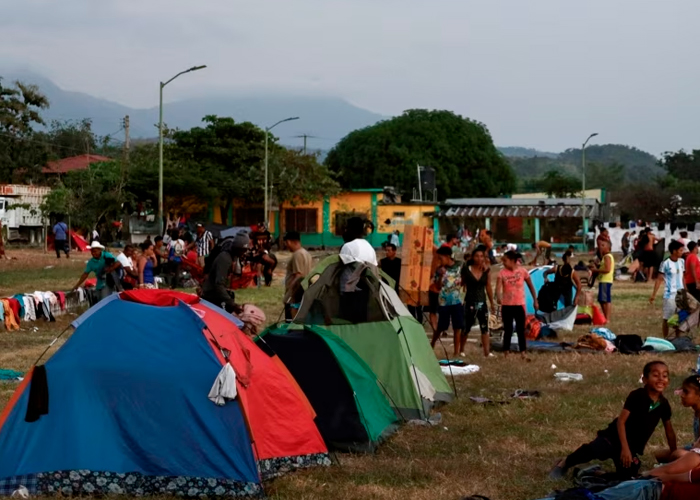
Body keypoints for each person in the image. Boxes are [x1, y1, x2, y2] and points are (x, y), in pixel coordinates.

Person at [550, 361, 675, 480]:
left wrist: (674, 453)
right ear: (645, 379)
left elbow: (669, 431)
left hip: (631, 447)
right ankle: (564, 463)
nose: (660, 379)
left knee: (629, 475)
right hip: (613, 438)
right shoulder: (637, 395)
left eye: (664, 376)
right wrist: (624, 449)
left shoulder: (663, 404)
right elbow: (621, 422)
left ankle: (594, 473)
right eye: (655, 375)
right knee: (592, 450)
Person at [650, 374, 700, 469]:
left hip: (697, 452)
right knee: (660, 454)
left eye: (686, 392)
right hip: (695, 448)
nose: (682, 395)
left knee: (677, 454)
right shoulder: (697, 411)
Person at [496, 250, 538, 359]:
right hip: (507, 305)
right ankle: (506, 351)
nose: (503, 263)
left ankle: (523, 352)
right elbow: (498, 288)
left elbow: (531, 286)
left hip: (519, 305)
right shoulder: (502, 273)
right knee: (508, 329)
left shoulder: (523, 271)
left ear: (512, 261)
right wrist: (499, 297)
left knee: (520, 329)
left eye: (505, 260)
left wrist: (535, 300)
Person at [201, 232, 250, 314]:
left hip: (218, 295)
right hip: (213, 297)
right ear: (238, 249)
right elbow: (218, 285)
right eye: (243, 251)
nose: (244, 253)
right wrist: (232, 304)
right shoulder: (225, 259)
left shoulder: (231, 256)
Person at [461, 246, 495, 357]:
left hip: (482, 302)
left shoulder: (487, 270)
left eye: (481, 256)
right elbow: (461, 282)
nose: (479, 258)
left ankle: (487, 352)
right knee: (466, 327)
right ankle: (461, 349)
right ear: (473, 257)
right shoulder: (466, 268)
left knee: (484, 327)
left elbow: (488, 287)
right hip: (469, 301)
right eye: (477, 256)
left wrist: (492, 303)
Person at [430, 246, 464, 358]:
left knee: (457, 326)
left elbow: (464, 279)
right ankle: (433, 343)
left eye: (441, 258)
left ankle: (456, 351)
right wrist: (440, 276)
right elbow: (438, 286)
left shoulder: (460, 266)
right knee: (441, 326)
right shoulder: (439, 269)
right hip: (444, 301)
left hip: (457, 300)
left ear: (448, 256)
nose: (440, 261)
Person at [650, 240, 685, 339]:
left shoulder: (682, 262)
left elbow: (683, 278)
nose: (682, 252)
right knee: (667, 318)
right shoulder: (665, 263)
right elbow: (659, 279)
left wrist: (686, 291)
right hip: (670, 295)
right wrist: (653, 295)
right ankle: (666, 338)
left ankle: (678, 338)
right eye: (680, 250)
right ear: (674, 251)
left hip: (680, 294)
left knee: (679, 317)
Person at [283, 231, 313, 320]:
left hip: (295, 295)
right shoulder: (306, 253)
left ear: (289, 242)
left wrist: (289, 295)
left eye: (286, 243)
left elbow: (298, 275)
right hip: (303, 292)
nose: (286, 245)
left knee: (290, 322)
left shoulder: (297, 254)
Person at [591, 240, 614, 322]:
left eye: (603, 245)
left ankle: (607, 318)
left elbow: (607, 269)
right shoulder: (605, 257)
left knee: (605, 300)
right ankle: (605, 317)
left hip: (605, 280)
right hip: (604, 280)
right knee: (602, 300)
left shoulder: (607, 256)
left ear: (608, 247)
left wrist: (596, 270)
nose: (601, 247)